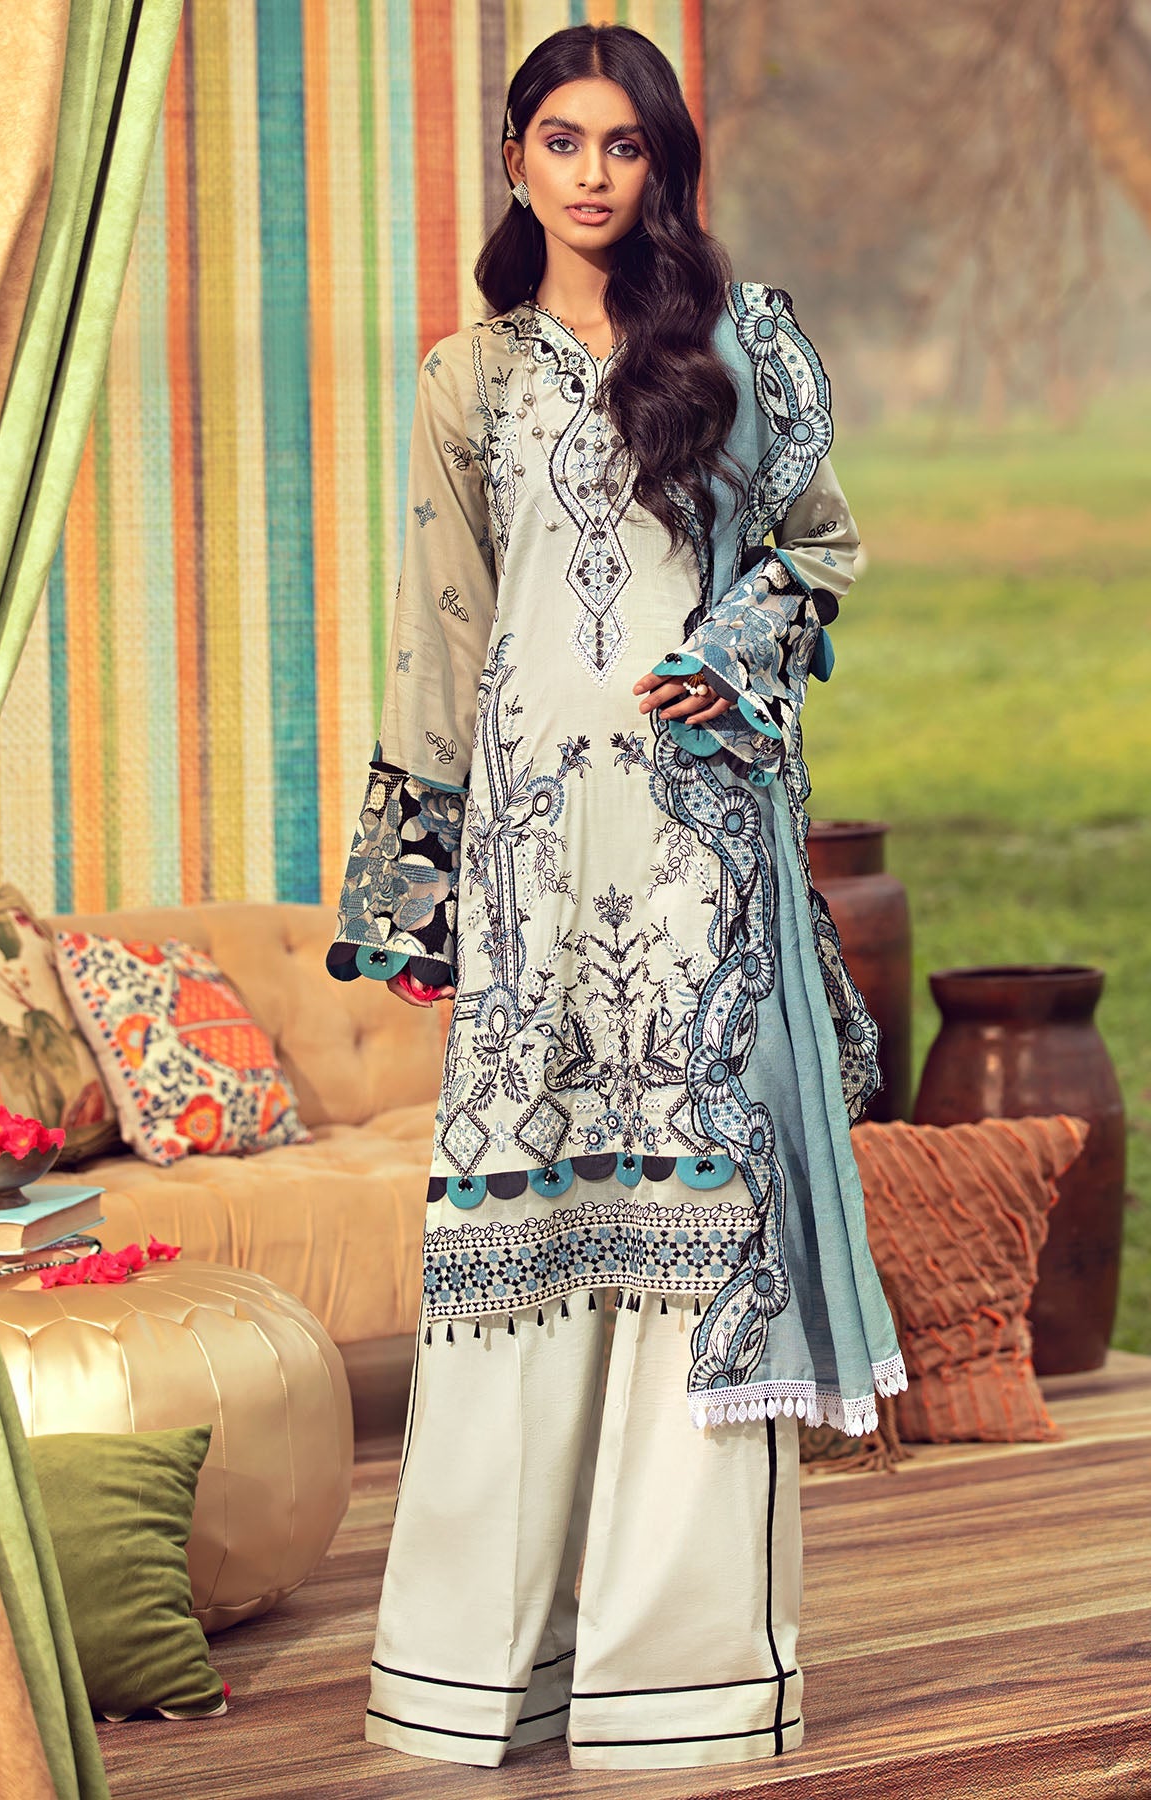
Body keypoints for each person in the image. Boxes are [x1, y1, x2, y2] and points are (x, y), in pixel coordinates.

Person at [327, 21, 904, 1774]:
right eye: (563, 141)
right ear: (516, 159)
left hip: (691, 850)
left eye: (625, 143)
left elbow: (818, 547)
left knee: (689, 1222)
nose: (593, 172)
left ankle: (683, 1682)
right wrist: (417, 887)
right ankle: (478, 1676)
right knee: (523, 1234)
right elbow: (441, 632)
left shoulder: (738, 344)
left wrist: (731, 651)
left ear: (663, 163)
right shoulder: (466, 378)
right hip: (528, 860)